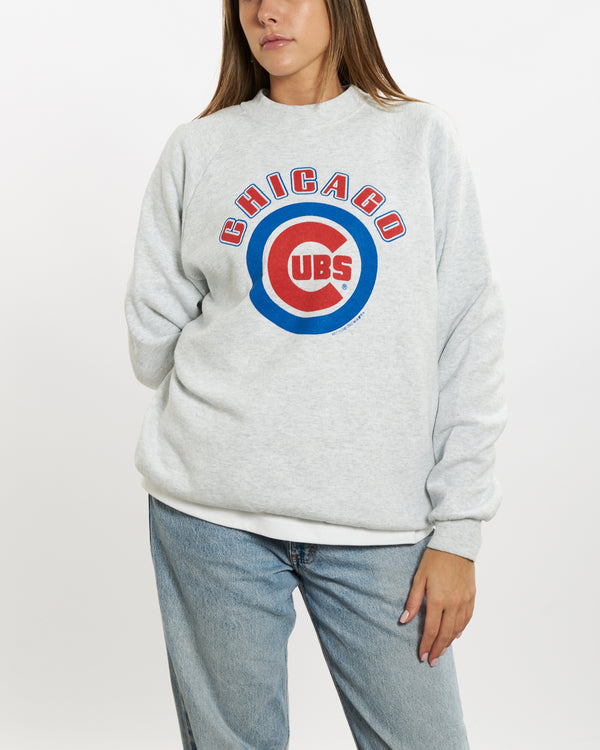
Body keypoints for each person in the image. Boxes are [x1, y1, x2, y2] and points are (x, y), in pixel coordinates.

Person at [124, 0, 508, 747]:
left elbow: (470, 335)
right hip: (211, 516)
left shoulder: (420, 138)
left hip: (381, 522)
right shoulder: (198, 148)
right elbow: (151, 343)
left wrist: (459, 531)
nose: (266, 13)